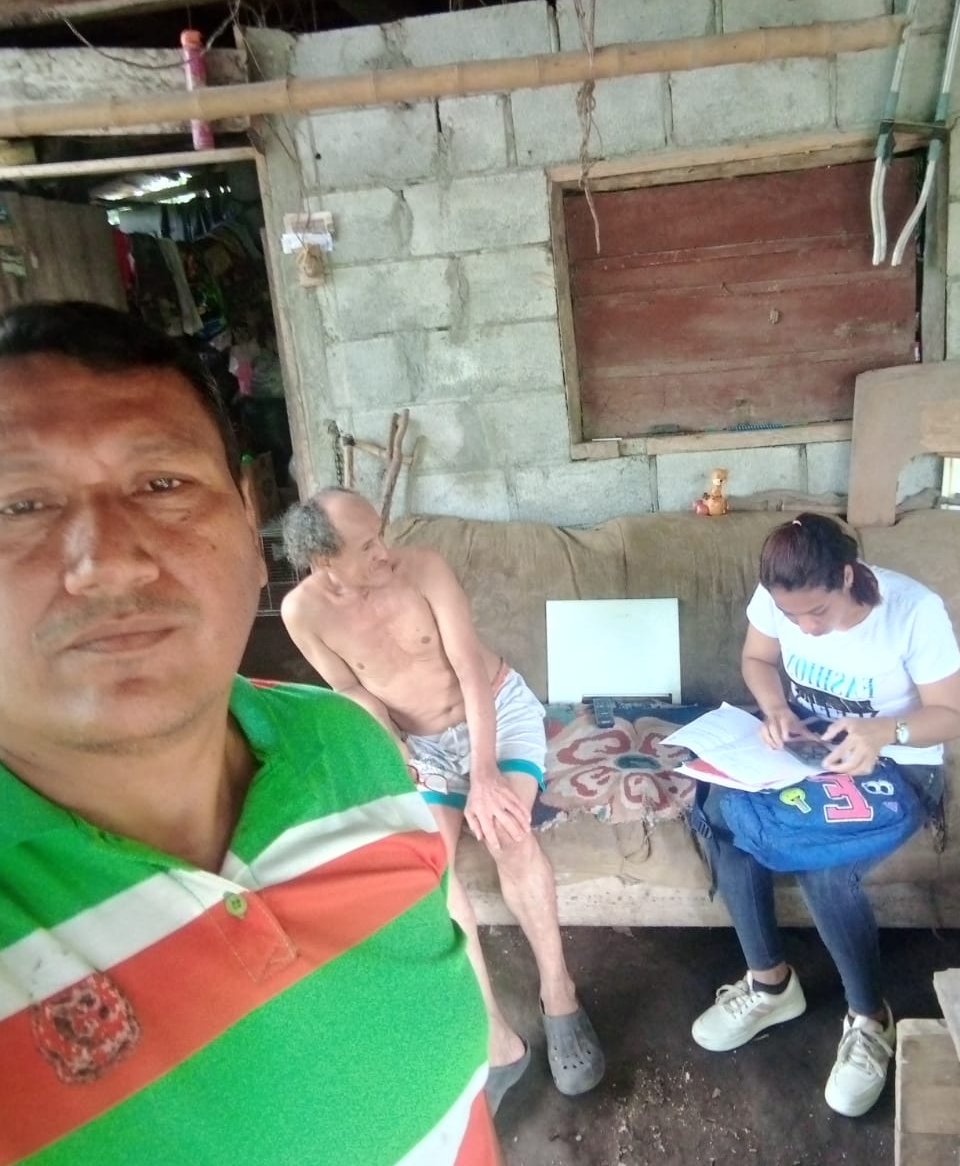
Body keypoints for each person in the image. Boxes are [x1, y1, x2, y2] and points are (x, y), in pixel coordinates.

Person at [0, 301, 499, 1166]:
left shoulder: (348, 749)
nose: (109, 561)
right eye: (19, 503)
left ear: (245, 517)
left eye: (161, 485)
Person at [280, 489, 605, 1114]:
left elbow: (468, 667)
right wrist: (393, 748)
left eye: (382, 534)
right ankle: (496, 1038)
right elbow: (350, 688)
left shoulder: (423, 568)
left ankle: (559, 994)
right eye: (366, 547)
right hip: (420, 743)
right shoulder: (302, 613)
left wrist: (484, 773)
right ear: (323, 561)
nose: (385, 552)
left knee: (507, 830)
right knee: (433, 866)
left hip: (496, 709)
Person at [690, 512, 960, 1117]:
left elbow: (951, 712)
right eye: (793, 618)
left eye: (817, 612)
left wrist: (886, 730)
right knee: (724, 816)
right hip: (810, 748)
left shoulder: (912, 612)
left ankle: (869, 1020)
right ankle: (770, 985)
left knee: (824, 867)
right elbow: (758, 660)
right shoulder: (778, 595)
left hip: (898, 764)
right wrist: (775, 709)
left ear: (847, 575)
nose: (806, 628)